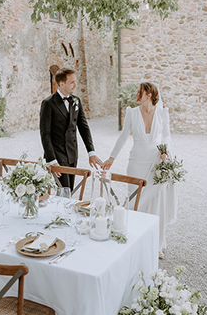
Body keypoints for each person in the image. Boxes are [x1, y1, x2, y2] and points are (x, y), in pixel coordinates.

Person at [103, 82, 176, 256]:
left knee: (156, 202)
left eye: (139, 92)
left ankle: (157, 245)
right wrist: (111, 158)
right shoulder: (132, 113)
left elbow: (166, 136)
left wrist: (165, 152)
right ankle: (135, 239)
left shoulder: (162, 113)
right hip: (136, 162)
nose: (136, 94)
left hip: (155, 161)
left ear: (149, 95)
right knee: (136, 200)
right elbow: (122, 137)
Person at [39, 68, 102, 191]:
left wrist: (91, 152)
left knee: (69, 190)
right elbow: (45, 134)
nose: (75, 85)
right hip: (57, 155)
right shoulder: (48, 103)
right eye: (72, 82)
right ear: (62, 84)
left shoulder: (76, 101)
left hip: (72, 154)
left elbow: (84, 127)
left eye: (75, 81)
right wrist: (51, 160)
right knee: (64, 191)